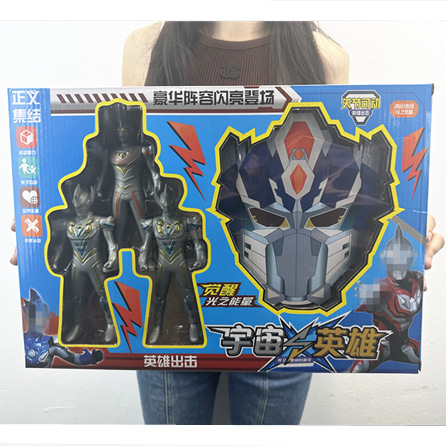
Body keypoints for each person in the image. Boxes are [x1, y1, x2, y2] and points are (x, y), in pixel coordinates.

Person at [120, 21, 445, 425]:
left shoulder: (323, 56)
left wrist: (406, 225)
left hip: (284, 333)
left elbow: (346, 183)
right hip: (174, 323)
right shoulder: (146, 47)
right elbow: (138, 182)